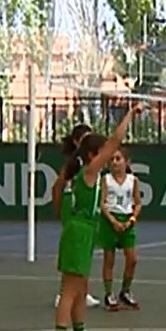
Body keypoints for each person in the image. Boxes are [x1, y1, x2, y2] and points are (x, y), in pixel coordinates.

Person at [53, 104, 144, 331]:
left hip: (81, 230)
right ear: (94, 154)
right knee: (70, 291)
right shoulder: (90, 171)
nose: (109, 154)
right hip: (80, 231)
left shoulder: (84, 173)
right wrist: (130, 114)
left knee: (81, 289)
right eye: (103, 151)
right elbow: (116, 140)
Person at [52, 124, 101, 309]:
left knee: (84, 252)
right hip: (72, 206)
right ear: (76, 141)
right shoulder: (75, 163)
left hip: (86, 211)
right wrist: (59, 210)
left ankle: (82, 291)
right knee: (74, 252)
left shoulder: (90, 163)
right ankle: (64, 292)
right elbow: (57, 186)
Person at [98, 147, 142, 311]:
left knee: (132, 258)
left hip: (127, 220)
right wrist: (113, 220)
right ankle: (109, 294)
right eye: (112, 159)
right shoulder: (106, 180)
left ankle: (125, 290)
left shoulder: (133, 180)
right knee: (109, 259)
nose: (115, 162)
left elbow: (137, 203)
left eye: (118, 159)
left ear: (127, 162)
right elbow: (102, 203)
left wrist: (132, 219)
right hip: (110, 220)